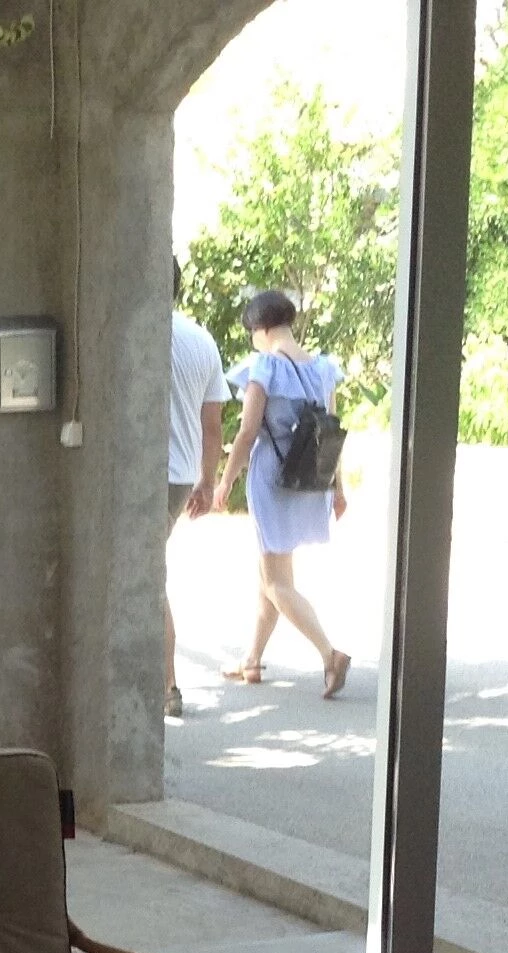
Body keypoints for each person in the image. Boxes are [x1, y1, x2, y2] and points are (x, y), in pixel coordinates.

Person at [212, 289, 351, 698]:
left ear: (261, 328)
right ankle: (252, 659)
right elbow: (330, 431)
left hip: (273, 478)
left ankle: (330, 654)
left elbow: (247, 432)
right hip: (310, 477)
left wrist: (225, 480)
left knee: (276, 580)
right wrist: (338, 487)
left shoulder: (264, 367)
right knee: (269, 573)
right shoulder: (323, 368)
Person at [166, 258, 229, 718]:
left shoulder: (134, 332)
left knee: (146, 581)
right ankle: (165, 684)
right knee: (150, 576)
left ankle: (167, 685)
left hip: (141, 474)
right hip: (181, 474)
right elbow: (213, 426)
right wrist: (207, 481)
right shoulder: (201, 340)